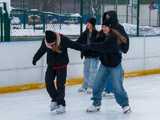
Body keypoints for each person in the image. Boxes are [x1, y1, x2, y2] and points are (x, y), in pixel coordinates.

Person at [85, 11, 131, 114]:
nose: (104, 28)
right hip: (104, 64)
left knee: (117, 87)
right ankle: (96, 104)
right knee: (97, 85)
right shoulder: (102, 33)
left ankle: (125, 105)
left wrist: (121, 47)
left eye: (106, 25)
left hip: (115, 65)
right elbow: (96, 43)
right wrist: (88, 47)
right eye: (103, 25)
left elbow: (125, 44)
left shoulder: (119, 30)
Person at [32, 30, 86, 114]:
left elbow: (74, 45)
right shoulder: (45, 41)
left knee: (60, 85)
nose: (52, 46)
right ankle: (55, 99)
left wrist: (85, 48)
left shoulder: (63, 39)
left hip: (62, 65)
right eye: (50, 45)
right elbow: (41, 50)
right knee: (48, 82)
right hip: (51, 65)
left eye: (53, 44)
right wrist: (35, 58)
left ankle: (62, 104)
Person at [76, 17, 100, 94]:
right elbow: (78, 41)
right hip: (87, 54)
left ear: (92, 24)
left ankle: (91, 86)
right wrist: (70, 44)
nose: (87, 24)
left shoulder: (97, 34)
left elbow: (99, 44)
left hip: (94, 55)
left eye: (89, 23)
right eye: (87, 23)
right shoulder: (84, 33)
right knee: (86, 71)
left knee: (93, 71)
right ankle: (85, 86)